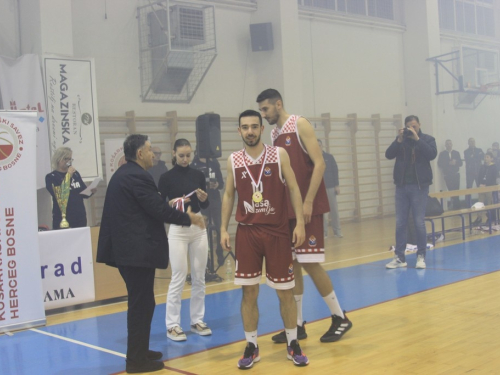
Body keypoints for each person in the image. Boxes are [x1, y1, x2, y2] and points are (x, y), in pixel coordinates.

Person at [96, 134, 204, 374]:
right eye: (149, 149)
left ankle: (141, 351)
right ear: (139, 154)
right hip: (135, 252)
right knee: (140, 304)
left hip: (131, 251)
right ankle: (135, 361)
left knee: (144, 302)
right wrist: (189, 218)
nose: (153, 153)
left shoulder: (125, 174)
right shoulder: (137, 176)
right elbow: (157, 209)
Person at [256, 89, 352, 344]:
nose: (263, 115)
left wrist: (308, 201)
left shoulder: (299, 124)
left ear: (278, 104)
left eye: (265, 109)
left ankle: (340, 316)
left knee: (310, 262)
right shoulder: (275, 134)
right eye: (261, 111)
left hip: (307, 207)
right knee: (292, 264)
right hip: (287, 210)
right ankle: (297, 324)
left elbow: (320, 163)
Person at [220, 109, 308, 368]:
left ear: (261, 129)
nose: (249, 131)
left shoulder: (278, 154)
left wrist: (300, 223)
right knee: (249, 292)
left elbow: (293, 188)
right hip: (247, 233)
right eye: (244, 127)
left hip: (277, 232)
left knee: (285, 292)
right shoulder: (233, 160)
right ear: (239, 131)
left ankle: (293, 342)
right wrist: (224, 228)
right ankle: (251, 345)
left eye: (254, 126)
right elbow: (228, 195)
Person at [158, 139, 212, 342]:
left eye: (188, 155)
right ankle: (172, 325)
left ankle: (197, 320)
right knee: (179, 276)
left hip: (198, 229)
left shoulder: (198, 175)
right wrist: (170, 203)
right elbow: (159, 206)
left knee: (199, 277)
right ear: (174, 154)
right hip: (177, 230)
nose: (185, 159)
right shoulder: (165, 178)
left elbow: (205, 206)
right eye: (181, 155)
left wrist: (205, 198)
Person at [385, 115, 437, 270]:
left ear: (419, 125)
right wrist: (398, 141)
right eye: (409, 127)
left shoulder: (427, 139)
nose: (412, 129)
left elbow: (431, 154)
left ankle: (421, 256)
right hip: (401, 187)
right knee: (400, 222)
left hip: (419, 187)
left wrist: (417, 139)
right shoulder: (402, 140)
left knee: (419, 222)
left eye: (414, 126)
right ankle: (400, 257)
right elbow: (388, 154)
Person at [45, 147, 96, 229]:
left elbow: (82, 192)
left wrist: (91, 191)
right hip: (63, 218)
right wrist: (68, 176)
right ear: (59, 159)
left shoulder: (75, 174)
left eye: (70, 159)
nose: (69, 161)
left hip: (79, 217)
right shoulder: (51, 177)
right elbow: (59, 195)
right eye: (66, 159)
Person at [191, 152, 225, 267]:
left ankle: (220, 253)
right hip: (201, 201)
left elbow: (221, 183)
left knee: (220, 226)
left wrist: (217, 184)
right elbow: (191, 185)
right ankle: (206, 257)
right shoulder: (194, 164)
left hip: (215, 199)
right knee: (203, 230)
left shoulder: (214, 162)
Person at [318, 139, 343, 238]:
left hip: (330, 187)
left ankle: (337, 231)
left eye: (319, 145)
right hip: (319, 189)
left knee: (334, 211)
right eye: (316, 145)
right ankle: (324, 233)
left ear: (322, 146)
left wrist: (337, 185)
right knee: (322, 213)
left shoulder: (329, 157)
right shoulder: (312, 157)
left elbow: (335, 171)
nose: (318, 147)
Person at [437, 139, 463, 210]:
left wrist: (456, 162)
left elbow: (461, 163)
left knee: (456, 191)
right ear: (445, 145)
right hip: (447, 175)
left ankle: (457, 207)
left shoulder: (456, 153)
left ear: (452, 145)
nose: (449, 145)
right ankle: (456, 205)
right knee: (451, 190)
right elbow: (439, 163)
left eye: (450, 144)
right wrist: (448, 163)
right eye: (447, 144)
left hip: (456, 174)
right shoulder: (442, 154)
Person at [476, 151, 499, 224]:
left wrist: (487, 185)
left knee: (489, 203)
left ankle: (490, 217)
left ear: (491, 159)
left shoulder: (494, 167)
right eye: (485, 157)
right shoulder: (482, 166)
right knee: (480, 203)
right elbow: (479, 176)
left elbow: (493, 178)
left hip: (489, 188)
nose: (485, 159)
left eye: (487, 157)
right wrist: (479, 184)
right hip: (482, 187)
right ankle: (479, 217)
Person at [464, 138, 484, 206]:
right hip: (470, 173)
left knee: (480, 188)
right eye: (470, 141)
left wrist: (473, 156)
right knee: (469, 188)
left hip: (479, 172)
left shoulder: (479, 150)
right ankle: (468, 204)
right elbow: (468, 159)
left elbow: (483, 156)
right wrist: (477, 155)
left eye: (473, 141)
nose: (472, 143)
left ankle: (481, 203)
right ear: (468, 143)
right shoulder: (466, 151)